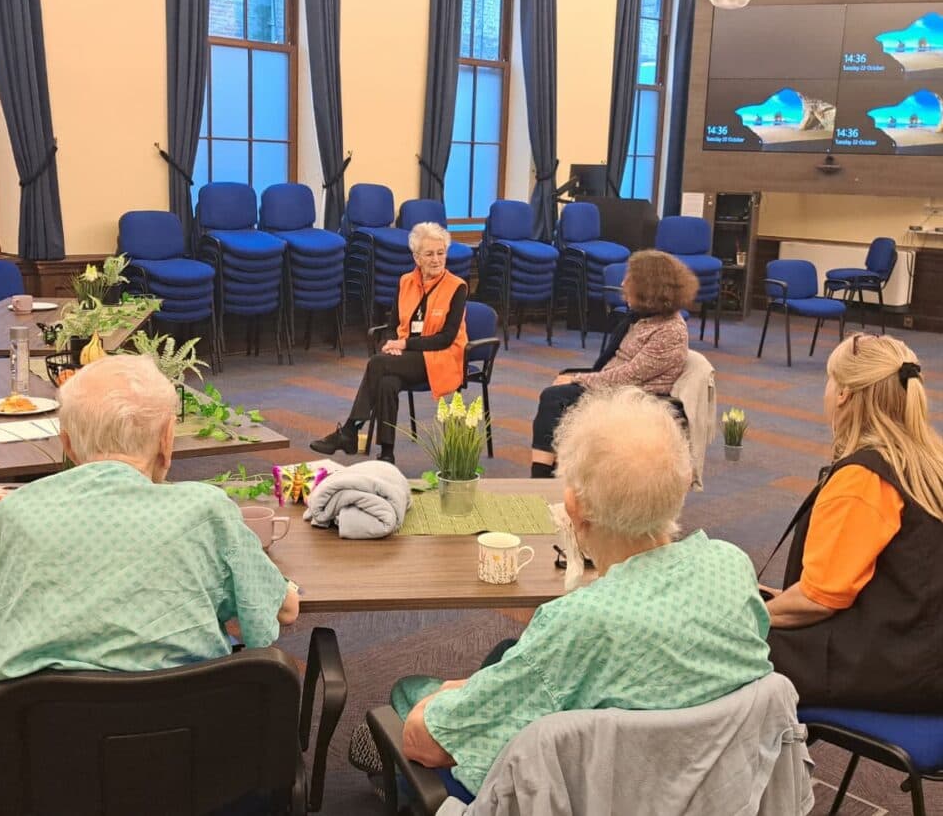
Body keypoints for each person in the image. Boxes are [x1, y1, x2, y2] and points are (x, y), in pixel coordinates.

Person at [384, 389, 773, 798]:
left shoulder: (579, 623)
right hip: (710, 792)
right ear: (679, 486)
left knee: (410, 695)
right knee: (504, 653)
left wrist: (455, 691)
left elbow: (424, 743)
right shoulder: (731, 566)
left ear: (574, 505)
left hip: (588, 796)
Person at [0, 355, 299, 686]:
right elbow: (281, 613)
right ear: (167, 438)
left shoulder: (16, 511)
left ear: (68, 445)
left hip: (43, 736)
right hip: (188, 734)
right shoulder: (206, 510)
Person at [765, 334, 943, 711]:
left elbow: (819, 600)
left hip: (895, 667)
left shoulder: (864, 477)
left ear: (844, 392)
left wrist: (746, 617)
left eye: (830, 382)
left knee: (724, 647)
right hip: (924, 649)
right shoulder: (929, 461)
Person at [530, 249, 698, 477]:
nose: (623, 282)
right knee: (561, 387)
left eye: (630, 278)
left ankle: (540, 476)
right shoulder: (645, 319)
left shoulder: (670, 331)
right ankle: (560, 468)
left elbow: (629, 376)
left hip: (637, 395)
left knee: (555, 396)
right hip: (620, 385)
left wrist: (578, 379)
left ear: (649, 288)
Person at [311, 221, 468, 464]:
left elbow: (446, 339)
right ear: (416, 257)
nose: (436, 259)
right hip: (405, 360)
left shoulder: (457, 287)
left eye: (441, 253)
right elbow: (394, 325)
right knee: (386, 382)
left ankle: (350, 431)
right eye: (429, 254)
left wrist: (403, 346)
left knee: (377, 364)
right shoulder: (405, 281)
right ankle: (386, 453)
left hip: (441, 359)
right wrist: (390, 344)